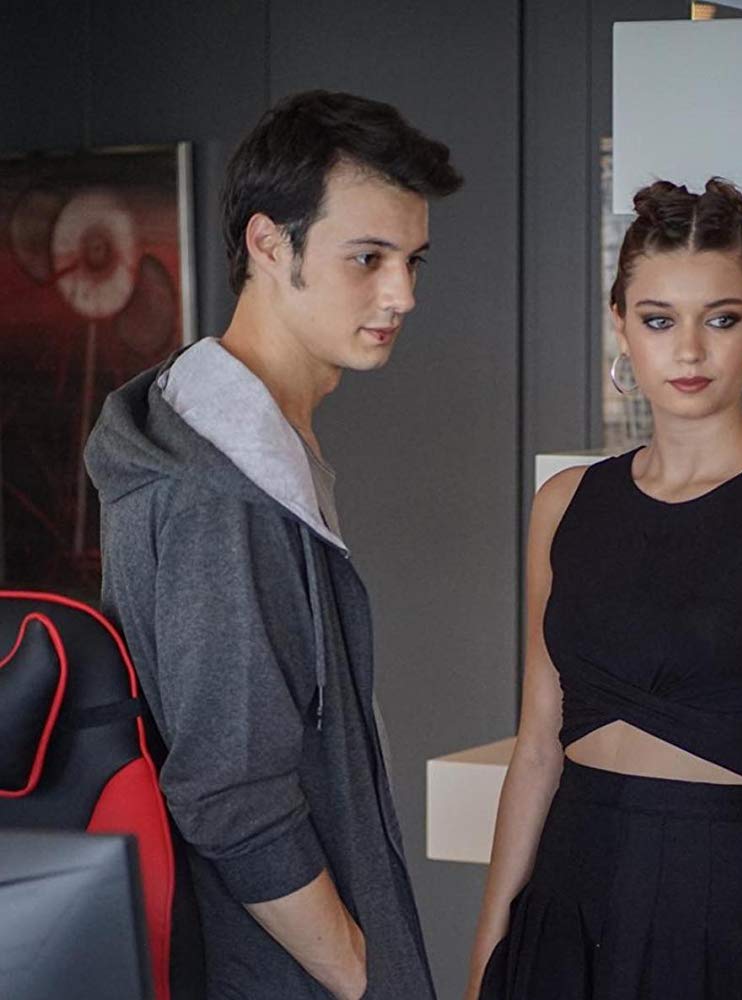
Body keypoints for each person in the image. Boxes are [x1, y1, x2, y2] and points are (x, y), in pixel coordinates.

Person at [467, 179, 742, 1000]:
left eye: (719, 319)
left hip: (720, 912)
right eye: (658, 320)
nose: (688, 351)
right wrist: (487, 959)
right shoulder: (564, 503)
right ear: (620, 324)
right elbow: (537, 747)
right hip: (562, 904)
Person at [86, 90, 462, 1000]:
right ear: (267, 243)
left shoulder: (234, 441)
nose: (402, 294)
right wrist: (365, 977)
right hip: (270, 973)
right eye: (366, 258)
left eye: (411, 260)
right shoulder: (220, 489)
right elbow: (231, 795)